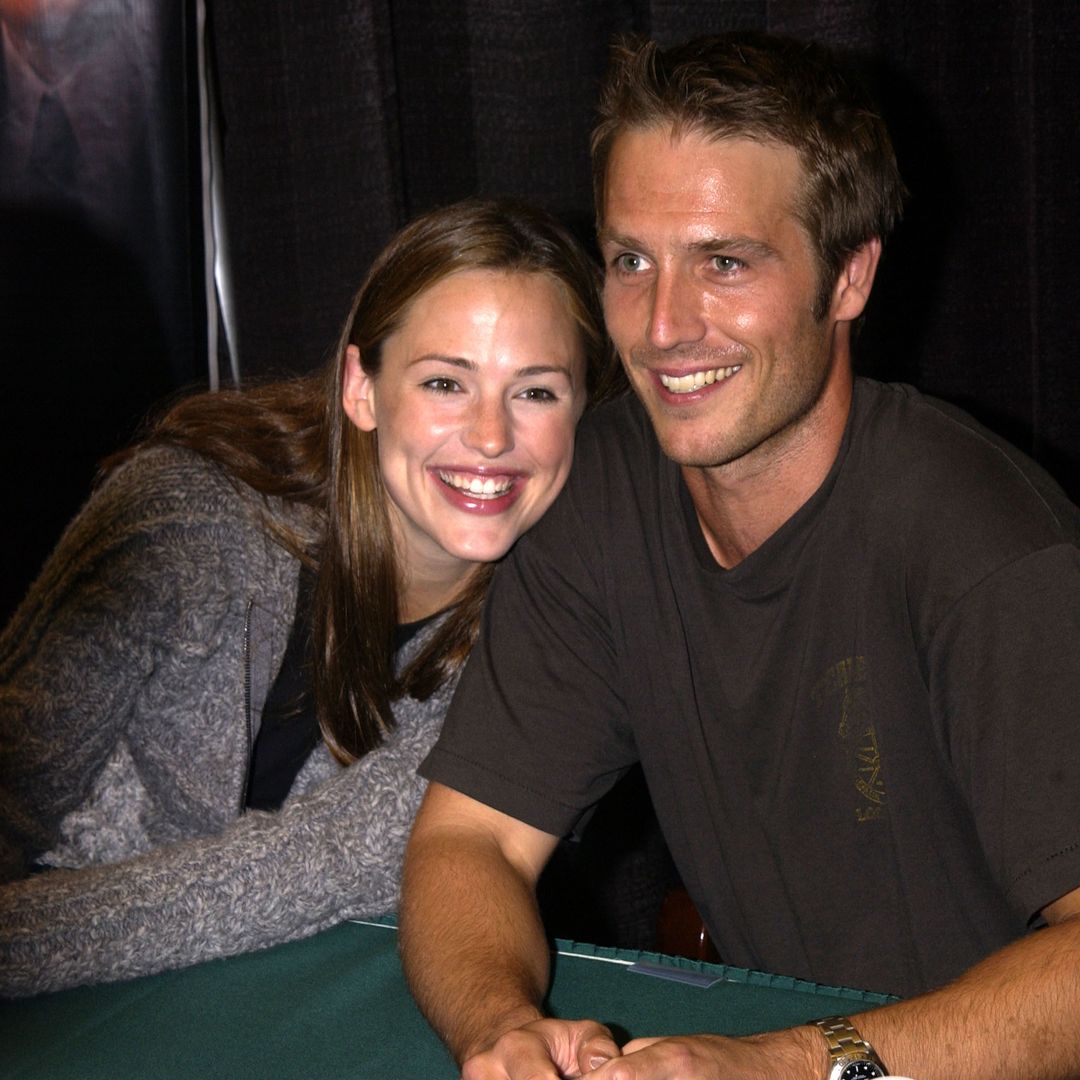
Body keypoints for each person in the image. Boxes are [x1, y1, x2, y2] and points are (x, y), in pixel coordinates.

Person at [399, 32, 1080, 1080]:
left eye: (724, 262)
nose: (665, 325)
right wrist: (498, 1026)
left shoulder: (990, 548)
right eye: (632, 260)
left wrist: (794, 1066)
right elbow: (471, 844)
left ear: (849, 278)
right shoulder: (602, 495)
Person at [0, 197, 612, 997]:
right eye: (444, 382)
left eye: (536, 392)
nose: (492, 437)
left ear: (583, 414)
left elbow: (323, 866)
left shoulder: (562, 635)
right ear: (362, 388)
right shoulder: (185, 513)